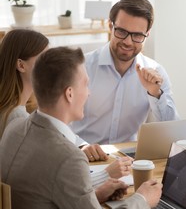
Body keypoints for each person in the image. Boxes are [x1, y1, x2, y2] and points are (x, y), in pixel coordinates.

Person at [0, 46, 162, 209]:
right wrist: (142, 199)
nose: (89, 93)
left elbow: (42, 198)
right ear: (69, 94)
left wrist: (95, 196)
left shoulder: (15, 128)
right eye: (85, 84)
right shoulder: (68, 157)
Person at [0, 29, 131, 188]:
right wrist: (106, 175)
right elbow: (51, 183)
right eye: (43, 59)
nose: (49, 66)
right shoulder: (17, 118)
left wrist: (79, 147)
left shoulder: (16, 108)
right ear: (21, 65)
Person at [71, 0, 180, 144]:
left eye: (137, 35)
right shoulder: (81, 67)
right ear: (111, 26)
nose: (128, 42)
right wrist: (82, 147)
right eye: (121, 32)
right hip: (83, 155)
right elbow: (57, 123)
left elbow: (173, 131)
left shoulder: (156, 72)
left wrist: (155, 94)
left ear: (147, 34)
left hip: (127, 158)